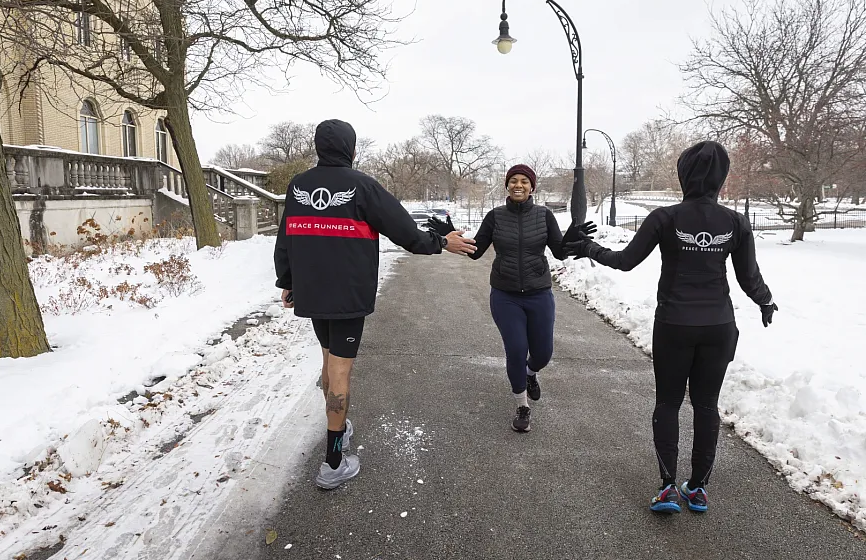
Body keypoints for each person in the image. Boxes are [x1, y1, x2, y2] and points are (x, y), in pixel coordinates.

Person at [562, 141, 777, 514]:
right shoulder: (735, 222)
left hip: (675, 325)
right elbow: (748, 276)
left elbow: (626, 261)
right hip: (719, 325)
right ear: (721, 178)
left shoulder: (665, 217)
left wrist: (591, 248)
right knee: (707, 407)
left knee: (668, 403)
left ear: (683, 173)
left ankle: (668, 488)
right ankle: (697, 489)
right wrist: (765, 300)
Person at [274, 119, 476, 490]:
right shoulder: (362, 186)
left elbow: (286, 235)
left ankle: (340, 427)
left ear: (318, 147)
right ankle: (334, 460)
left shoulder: (298, 185)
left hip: (314, 293)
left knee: (328, 361)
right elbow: (405, 232)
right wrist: (442, 241)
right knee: (339, 373)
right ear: (351, 150)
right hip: (348, 295)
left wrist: (286, 280)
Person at [430, 164, 596, 432]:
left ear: (532, 187)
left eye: (524, 182)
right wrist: (450, 236)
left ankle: (531, 374)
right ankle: (522, 405)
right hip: (505, 296)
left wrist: (572, 238)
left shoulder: (544, 215)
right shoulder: (495, 216)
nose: (518, 185)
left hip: (539, 293)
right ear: (507, 185)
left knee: (542, 353)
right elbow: (475, 251)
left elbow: (559, 252)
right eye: (513, 181)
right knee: (517, 350)